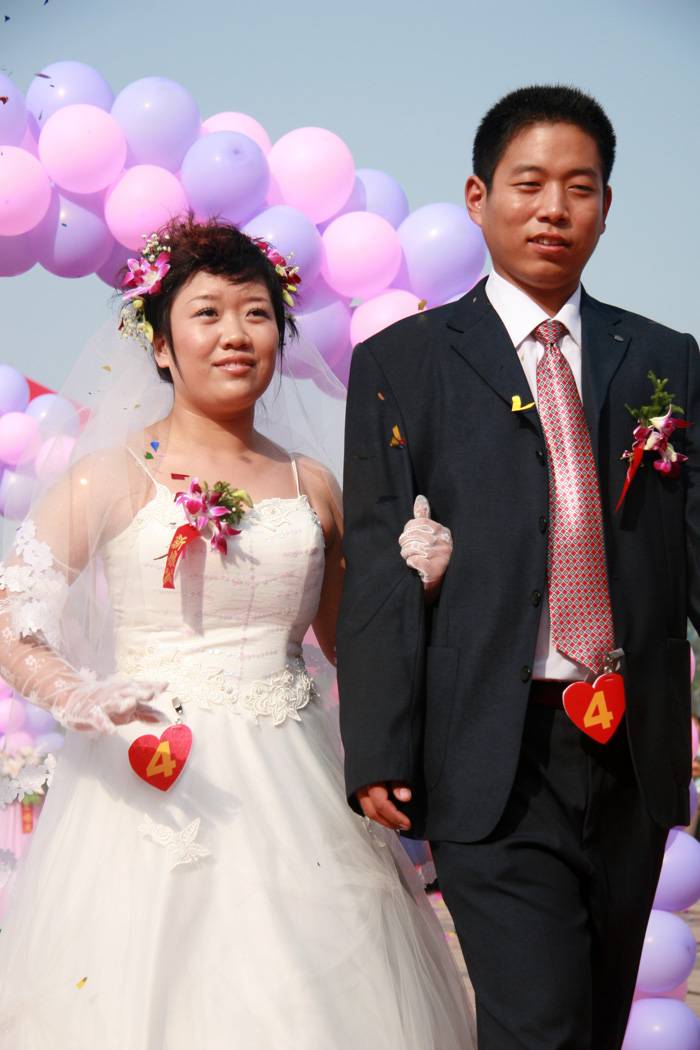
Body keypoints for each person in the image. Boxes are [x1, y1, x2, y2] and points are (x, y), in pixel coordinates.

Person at [0, 217, 475, 1049]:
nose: (235, 334)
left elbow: (351, 642)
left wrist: (418, 587)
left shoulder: (313, 483)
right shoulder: (108, 475)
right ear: (160, 346)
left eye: (256, 314)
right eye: (207, 314)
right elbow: (14, 618)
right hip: (145, 774)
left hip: (296, 778)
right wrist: (76, 694)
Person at [338, 84, 699, 1050]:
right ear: (478, 196)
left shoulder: (663, 358)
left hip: (630, 748)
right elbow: (379, 558)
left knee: (590, 1024)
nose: (553, 209)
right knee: (537, 1026)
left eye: (580, 188)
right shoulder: (403, 363)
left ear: (607, 207)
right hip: (488, 749)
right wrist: (378, 744)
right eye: (529, 184)